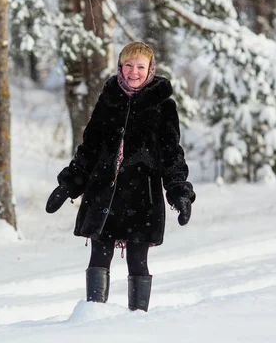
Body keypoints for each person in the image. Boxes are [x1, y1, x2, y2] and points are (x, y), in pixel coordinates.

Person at [46, 42, 195, 312]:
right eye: (128, 65)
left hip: (142, 197)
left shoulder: (163, 106)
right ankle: (91, 317)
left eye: (140, 66)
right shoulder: (108, 100)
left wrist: (180, 192)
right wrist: (68, 185)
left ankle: (136, 322)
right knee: (98, 258)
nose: (133, 72)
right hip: (104, 194)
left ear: (151, 69)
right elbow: (89, 148)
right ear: (120, 67)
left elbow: (172, 154)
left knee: (138, 261)